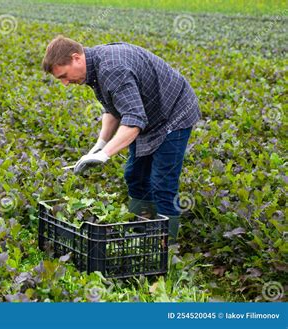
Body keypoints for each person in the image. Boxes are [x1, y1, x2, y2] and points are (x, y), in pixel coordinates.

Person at [42, 36, 201, 244]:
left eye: (63, 75)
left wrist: (105, 155)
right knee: (135, 175)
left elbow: (134, 122)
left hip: (174, 112)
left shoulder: (111, 68)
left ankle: (166, 246)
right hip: (148, 114)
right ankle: (142, 229)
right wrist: (99, 146)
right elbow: (113, 109)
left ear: (76, 58)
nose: (64, 83)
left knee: (162, 182)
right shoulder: (93, 68)